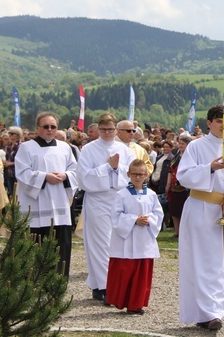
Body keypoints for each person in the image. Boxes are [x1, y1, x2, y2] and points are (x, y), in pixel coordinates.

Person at [176, 105, 224, 331]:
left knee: (220, 263)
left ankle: (217, 311)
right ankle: (204, 312)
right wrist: (210, 167)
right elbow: (183, 176)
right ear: (209, 123)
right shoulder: (196, 146)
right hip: (201, 208)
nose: (223, 126)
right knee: (201, 262)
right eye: (219, 121)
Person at [77, 113, 135, 302]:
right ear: (98, 130)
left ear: (116, 130)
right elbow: (83, 177)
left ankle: (105, 283)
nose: (108, 133)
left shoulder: (124, 149)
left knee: (117, 242)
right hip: (97, 198)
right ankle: (104, 285)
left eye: (111, 130)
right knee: (100, 243)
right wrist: (107, 167)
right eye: (104, 130)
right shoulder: (88, 149)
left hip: (117, 197)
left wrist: (117, 169)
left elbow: (132, 172)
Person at [15, 112, 78, 278]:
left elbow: (75, 170)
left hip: (60, 206)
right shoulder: (26, 147)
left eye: (53, 127)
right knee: (35, 246)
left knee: (61, 245)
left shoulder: (65, 148)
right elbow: (22, 173)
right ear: (38, 128)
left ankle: (57, 283)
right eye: (46, 126)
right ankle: (32, 282)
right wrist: (45, 177)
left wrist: (65, 176)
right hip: (35, 204)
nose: (50, 130)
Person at [105, 159, 163, 314]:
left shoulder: (151, 195)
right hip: (126, 240)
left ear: (146, 175)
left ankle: (136, 304)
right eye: (135, 174)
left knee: (141, 274)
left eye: (141, 174)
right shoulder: (121, 195)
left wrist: (148, 219)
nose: (138, 177)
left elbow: (158, 213)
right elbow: (115, 216)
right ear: (128, 174)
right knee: (125, 271)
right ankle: (121, 300)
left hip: (144, 239)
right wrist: (134, 220)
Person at [166, 134, 192, 238]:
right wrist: (168, 184)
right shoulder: (176, 154)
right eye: (180, 143)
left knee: (183, 211)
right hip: (174, 186)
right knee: (174, 210)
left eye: (183, 144)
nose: (180, 146)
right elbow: (170, 169)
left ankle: (184, 232)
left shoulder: (191, 156)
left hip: (185, 188)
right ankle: (177, 232)